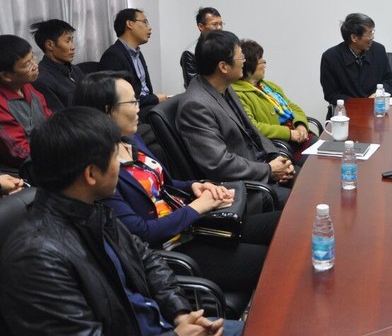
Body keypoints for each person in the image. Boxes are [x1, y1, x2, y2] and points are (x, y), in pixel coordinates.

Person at [0, 107, 233, 335]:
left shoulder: (93, 212)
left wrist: (179, 313)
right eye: (115, 158)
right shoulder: (36, 259)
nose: (121, 166)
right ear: (91, 174)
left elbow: (147, 260)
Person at [74, 71, 279, 296]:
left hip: (194, 226)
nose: (139, 107)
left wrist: (194, 186)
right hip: (175, 250)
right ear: (107, 111)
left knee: (280, 227)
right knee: (274, 262)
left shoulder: (130, 139)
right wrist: (197, 207)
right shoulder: (101, 171)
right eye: (132, 102)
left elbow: (163, 184)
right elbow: (142, 233)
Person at [177, 30, 294, 208]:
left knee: (313, 180)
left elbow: (253, 132)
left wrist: (279, 159)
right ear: (223, 67)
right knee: (305, 200)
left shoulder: (225, 87)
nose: (245, 62)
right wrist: (269, 170)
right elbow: (219, 164)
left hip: (260, 167)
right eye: (241, 58)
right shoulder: (195, 105)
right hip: (246, 187)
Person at [233, 39, 317, 163]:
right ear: (249, 67)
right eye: (261, 61)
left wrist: (301, 125)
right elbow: (253, 127)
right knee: (321, 162)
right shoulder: (238, 94)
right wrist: (289, 134)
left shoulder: (269, 86)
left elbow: (293, 107)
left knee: (331, 153)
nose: (264, 64)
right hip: (282, 146)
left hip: (300, 137)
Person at [320, 13, 392, 117]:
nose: (372, 37)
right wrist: (361, 104)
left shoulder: (379, 50)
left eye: (372, 32)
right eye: (369, 34)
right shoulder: (331, 57)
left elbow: (390, 81)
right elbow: (331, 94)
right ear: (354, 37)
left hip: (377, 111)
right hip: (347, 113)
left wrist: (379, 94)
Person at [99, 8, 167, 110]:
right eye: (145, 22)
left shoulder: (138, 54)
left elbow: (146, 90)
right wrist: (153, 99)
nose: (149, 28)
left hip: (147, 107)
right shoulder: (112, 56)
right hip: (133, 111)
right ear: (129, 24)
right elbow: (120, 100)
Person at [0, 35, 51, 168]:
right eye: (27, 64)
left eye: (33, 57)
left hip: (46, 155)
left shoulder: (27, 87)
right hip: (22, 169)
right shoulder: (2, 105)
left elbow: (50, 121)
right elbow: (19, 152)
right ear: (6, 76)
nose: (35, 65)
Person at [30, 19, 85, 111]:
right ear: (49, 45)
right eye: (67, 41)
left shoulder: (74, 69)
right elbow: (60, 116)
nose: (73, 47)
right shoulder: (42, 80)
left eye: (72, 40)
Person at [181, 6, 225, 88]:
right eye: (215, 24)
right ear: (201, 26)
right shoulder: (190, 53)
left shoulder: (226, 47)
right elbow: (193, 86)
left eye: (221, 24)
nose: (219, 28)